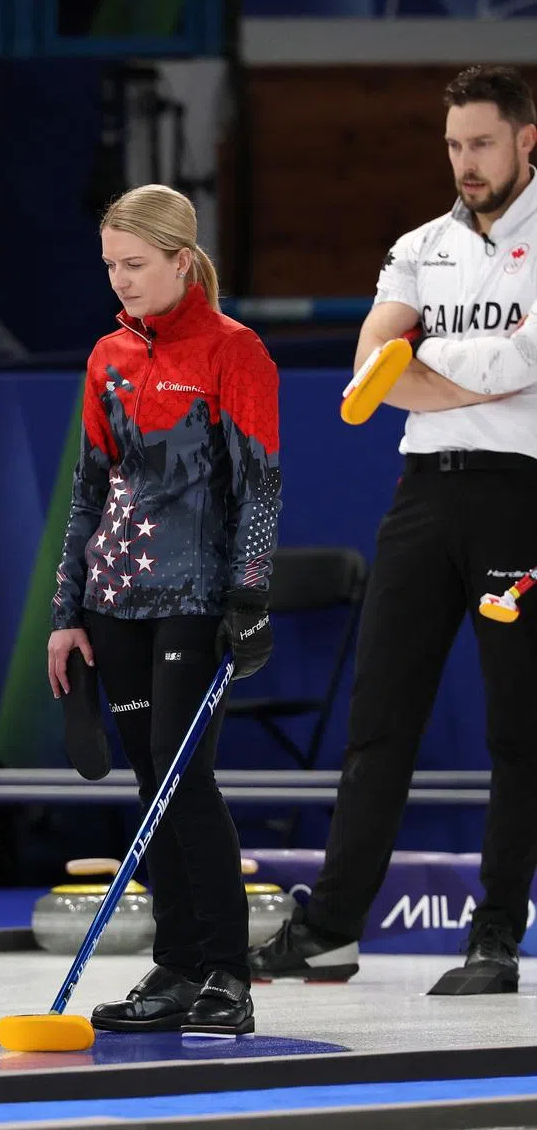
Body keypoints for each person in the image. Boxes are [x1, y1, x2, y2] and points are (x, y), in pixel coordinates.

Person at [251, 65, 537, 995]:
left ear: (527, 139)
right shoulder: (420, 243)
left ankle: (494, 937)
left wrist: (423, 365)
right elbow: (370, 367)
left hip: (518, 499)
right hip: (421, 496)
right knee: (378, 722)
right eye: (455, 145)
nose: (466, 163)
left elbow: (513, 363)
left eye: (483, 143)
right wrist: (465, 369)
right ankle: (330, 929)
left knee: (518, 727)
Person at [46, 184, 281, 1036]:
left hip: (195, 598)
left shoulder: (234, 350)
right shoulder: (106, 354)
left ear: (183, 261)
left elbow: (260, 481)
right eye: (110, 266)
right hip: (116, 599)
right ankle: (177, 968)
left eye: (135, 265)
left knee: (183, 780)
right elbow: (86, 490)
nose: (121, 282)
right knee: (151, 783)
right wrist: (66, 611)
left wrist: (250, 594)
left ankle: (228, 971)